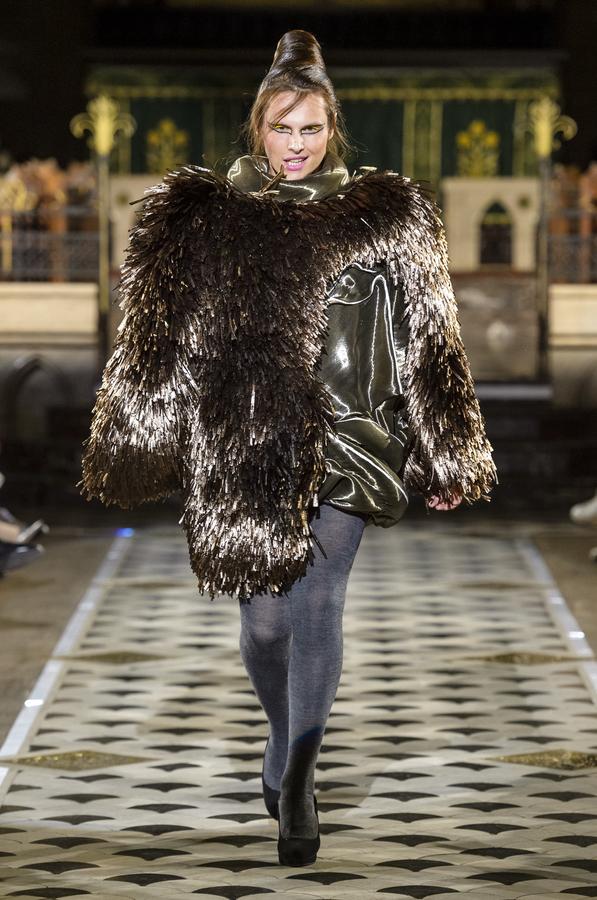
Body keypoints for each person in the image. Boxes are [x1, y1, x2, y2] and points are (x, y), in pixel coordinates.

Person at [80, 30, 497, 868]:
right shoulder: (206, 216)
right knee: (265, 626)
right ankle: (283, 734)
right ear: (257, 128)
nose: (296, 145)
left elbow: (430, 339)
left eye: (311, 129)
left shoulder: (387, 215)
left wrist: (444, 446)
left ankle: (301, 776)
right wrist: (141, 438)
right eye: (282, 129)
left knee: (316, 606)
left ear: (332, 129)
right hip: (244, 443)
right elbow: (156, 338)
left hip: (355, 433)